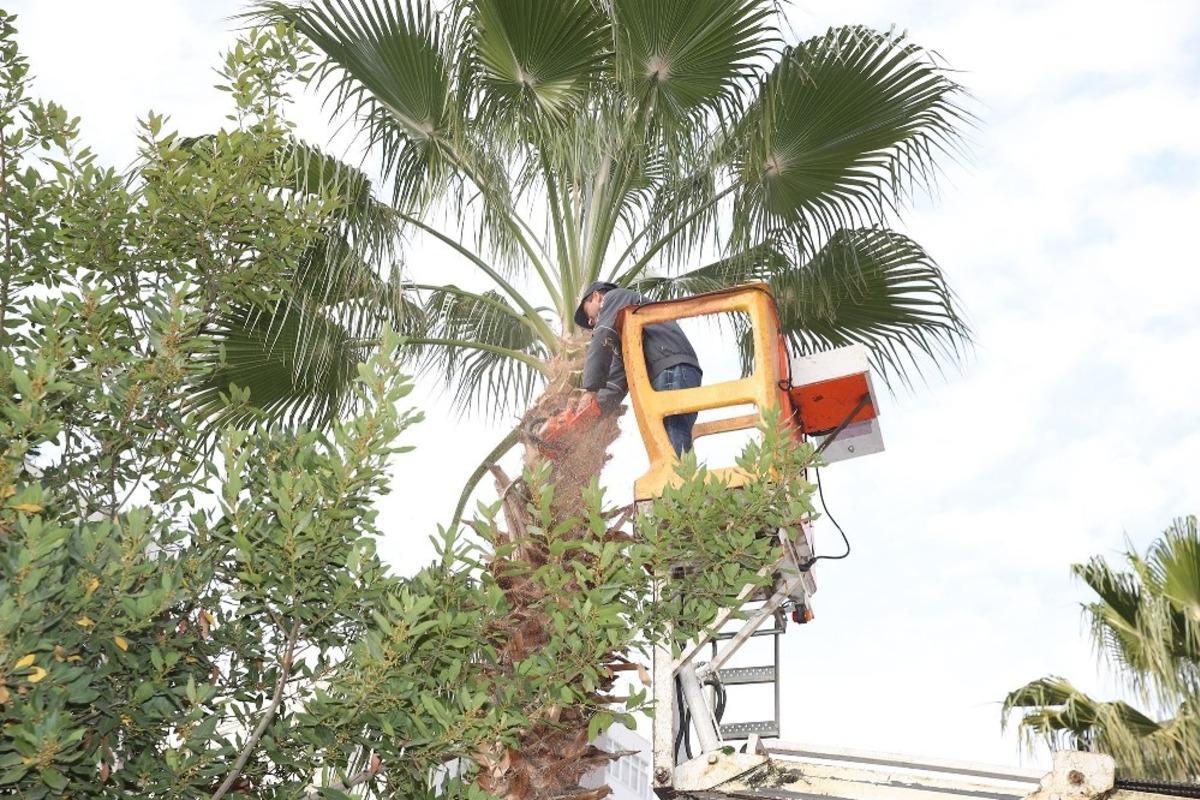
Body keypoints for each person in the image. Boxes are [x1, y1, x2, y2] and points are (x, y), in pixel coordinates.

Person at [573, 281, 703, 455]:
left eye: (586, 313)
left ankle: (680, 480)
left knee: (672, 437)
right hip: (675, 371)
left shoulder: (615, 297)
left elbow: (602, 334)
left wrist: (590, 390)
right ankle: (683, 479)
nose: (590, 322)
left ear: (597, 296)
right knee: (669, 439)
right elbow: (616, 383)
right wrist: (591, 414)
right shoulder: (626, 331)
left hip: (672, 369)